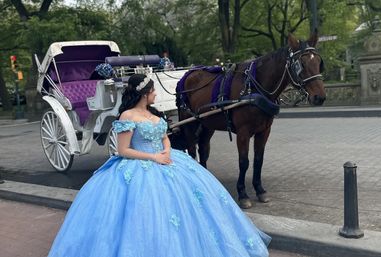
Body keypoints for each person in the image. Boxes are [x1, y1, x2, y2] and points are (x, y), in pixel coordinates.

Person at [47, 74, 271, 257]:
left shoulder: (154, 114)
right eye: (153, 91)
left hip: (166, 158)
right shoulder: (128, 115)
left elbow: (164, 137)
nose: (156, 94)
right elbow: (123, 150)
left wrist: (165, 149)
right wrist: (154, 158)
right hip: (139, 164)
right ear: (144, 94)